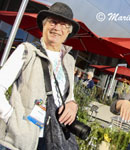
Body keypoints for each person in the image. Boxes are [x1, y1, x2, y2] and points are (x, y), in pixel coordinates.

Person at [0, 2, 80, 150]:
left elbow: (69, 95)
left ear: (68, 31)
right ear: (44, 25)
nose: (57, 28)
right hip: (20, 138)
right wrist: (11, 119)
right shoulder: (27, 51)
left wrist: (73, 105)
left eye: (63, 25)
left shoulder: (69, 60)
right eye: (53, 22)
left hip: (51, 137)